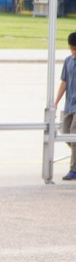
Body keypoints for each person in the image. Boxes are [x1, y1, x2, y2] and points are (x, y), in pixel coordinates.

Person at [57, 31, 76, 181]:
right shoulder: (68, 61)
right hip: (69, 105)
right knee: (65, 133)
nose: (73, 52)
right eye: (71, 48)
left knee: (74, 135)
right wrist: (56, 101)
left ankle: (73, 169)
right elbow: (64, 82)